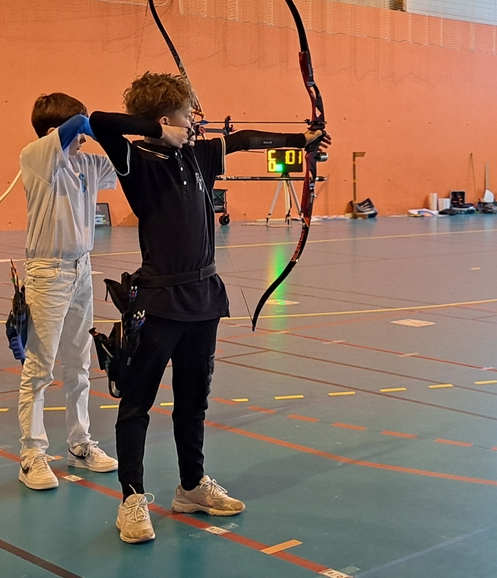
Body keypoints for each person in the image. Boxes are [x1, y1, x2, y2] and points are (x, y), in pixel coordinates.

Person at [87, 72, 326, 544]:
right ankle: (132, 500)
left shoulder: (199, 156)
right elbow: (99, 121)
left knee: (193, 399)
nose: (193, 121)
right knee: (137, 403)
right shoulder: (137, 160)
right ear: (164, 117)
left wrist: (302, 140)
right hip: (158, 302)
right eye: (185, 114)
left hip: (203, 298)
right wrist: (159, 132)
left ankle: (191, 486)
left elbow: (244, 140)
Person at [12, 93, 121, 490]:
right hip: (48, 272)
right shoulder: (36, 157)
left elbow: (125, 162)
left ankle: (80, 442)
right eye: (81, 130)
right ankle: (32, 455)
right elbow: (75, 128)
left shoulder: (87, 163)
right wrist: (91, 122)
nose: (86, 139)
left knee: (79, 363)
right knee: (39, 367)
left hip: (82, 269)